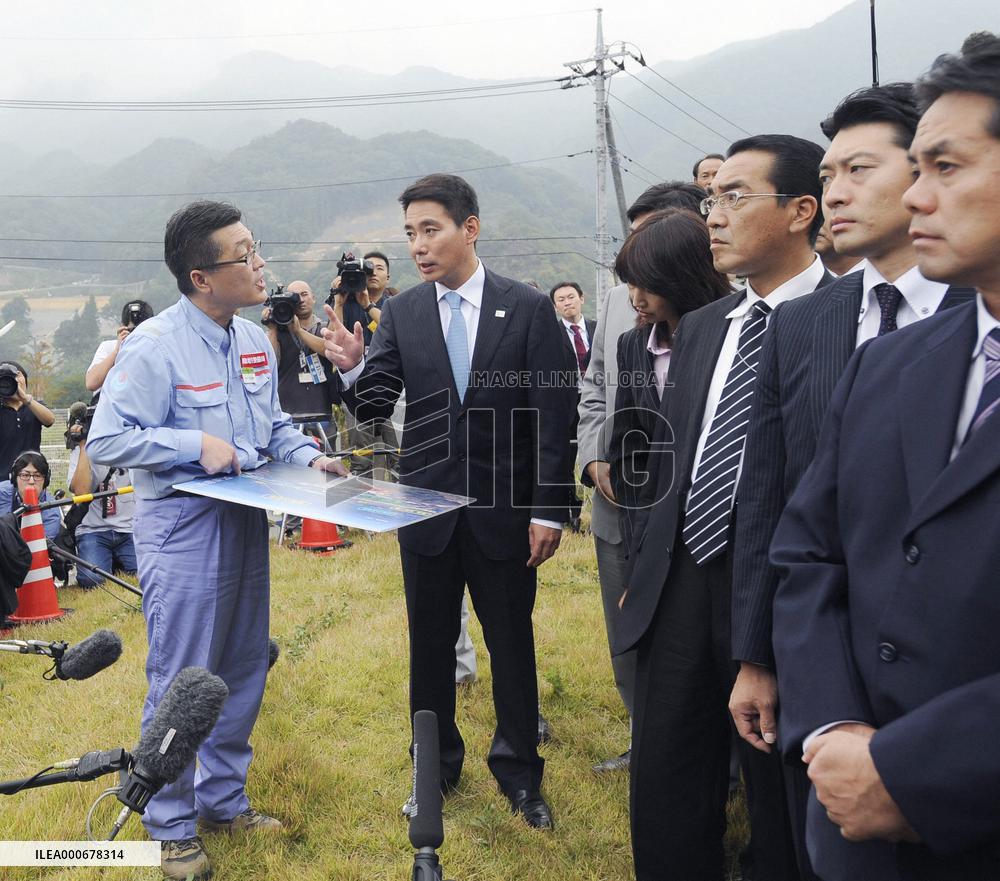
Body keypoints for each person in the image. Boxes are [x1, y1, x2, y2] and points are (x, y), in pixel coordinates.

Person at [729, 83, 975, 881]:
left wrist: (917, 765)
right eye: (826, 174)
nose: (835, 191)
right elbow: (783, 516)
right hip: (837, 719)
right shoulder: (841, 337)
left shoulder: (965, 318)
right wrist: (818, 708)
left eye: (858, 170)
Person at [87, 200, 346, 881]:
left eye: (257, 249)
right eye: (245, 255)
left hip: (245, 517)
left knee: (240, 668)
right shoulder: (153, 346)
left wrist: (309, 456)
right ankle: (169, 826)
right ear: (203, 276)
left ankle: (222, 801)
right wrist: (190, 443)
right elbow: (108, 437)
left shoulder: (256, 340)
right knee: (183, 679)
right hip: (183, 526)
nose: (261, 266)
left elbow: (272, 427)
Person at [322, 173, 573, 829]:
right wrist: (351, 366)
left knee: (511, 646)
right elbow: (374, 406)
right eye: (409, 233)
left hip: (506, 513)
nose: (418, 245)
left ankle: (520, 775)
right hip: (425, 514)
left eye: (429, 228)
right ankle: (434, 771)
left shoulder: (526, 307)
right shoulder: (403, 313)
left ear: (470, 227)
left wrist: (550, 507)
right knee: (429, 650)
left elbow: (554, 416)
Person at [620, 135, 830, 881]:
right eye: (712, 198)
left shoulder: (843, 323)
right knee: (668, 785)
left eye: (736, 197)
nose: (714, 215)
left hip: (779, 590)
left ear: (802, 210)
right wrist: (646, 555)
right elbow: (676, 459)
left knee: (780, 803)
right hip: (682, 578)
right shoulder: (707, 325)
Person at [576, 180, 706, 774]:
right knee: (627, 626)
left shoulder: (723, 326)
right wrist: (594, 455)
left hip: (694, 509)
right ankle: (646, 736)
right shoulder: (623, 307)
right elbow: (597, 389)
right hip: (620, 497)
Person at [609, 207, 730, 559]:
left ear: (685, 277)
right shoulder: (633, 345)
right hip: (659, 536)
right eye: (631, 283)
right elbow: (629, 450)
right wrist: (641, 544)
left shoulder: (735, 334)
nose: (636, 299)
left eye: (649, 286)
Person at [67, 420, 137, 589]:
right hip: (93, 530)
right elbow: (81, 492)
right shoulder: (82, 451)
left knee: (147, 573)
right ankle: (112, 564)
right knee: (92, 580)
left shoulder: (135, 445)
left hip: (130, 529)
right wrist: (84, 445)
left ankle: (116, 564)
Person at [262, 279, 338, 429]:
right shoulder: (278, 331)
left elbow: (328, 349)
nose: (301, 300)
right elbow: (269, 365)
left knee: (325, 453)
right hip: (288, 415)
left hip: (321, 411)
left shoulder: (324, 328)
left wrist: (298, 331)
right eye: (295, 297)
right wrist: (272, 328)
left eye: (304, 295)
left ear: (314, 298)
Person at [85, 300, 155, 393]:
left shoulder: (157, 351)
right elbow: (91, 383)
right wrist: (117, 351)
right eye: (132, 330)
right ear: (122, 327)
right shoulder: (109, 347)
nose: (137, 335)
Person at [0, 362, 55, 479]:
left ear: (25, 379)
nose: (13, 380)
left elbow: (49, 420)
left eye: (17, 375)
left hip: (33, 478)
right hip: (2, 481)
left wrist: (25, 398)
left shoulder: (34, 406)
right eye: (6, 379)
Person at [0, 450, 61, 540]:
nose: (31, 481)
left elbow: (37, 549)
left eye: (37, 476)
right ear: (13, 478)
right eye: (25, 475)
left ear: (46, 480)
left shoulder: (51, 512)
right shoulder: (2, 492)